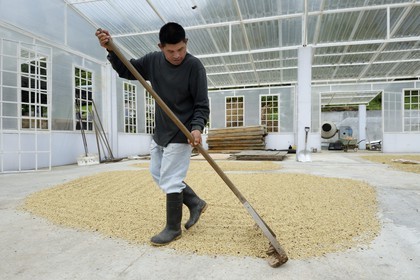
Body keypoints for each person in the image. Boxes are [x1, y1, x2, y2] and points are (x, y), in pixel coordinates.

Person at [95, 22, 209, 246]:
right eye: (170, 51)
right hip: (161, 130)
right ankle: (195, 202)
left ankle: (173, 228)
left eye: (181, 49)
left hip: (182, 131)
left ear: (186, 43)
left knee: (171, 179)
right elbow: (128, 70)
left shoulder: (195, 67)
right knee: (158, 174)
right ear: (161, 47)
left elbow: (201, 104)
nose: (177, 55)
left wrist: (196, 128)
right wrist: (111, 49)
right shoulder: (153, 61)